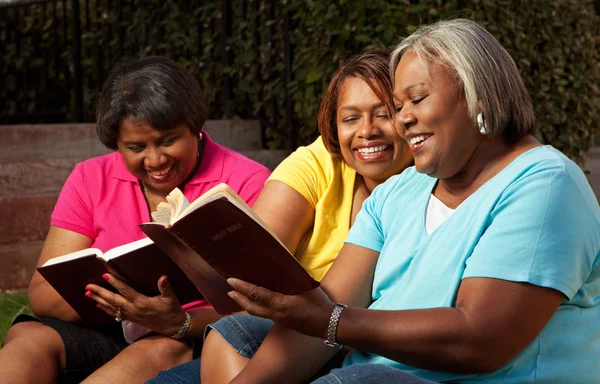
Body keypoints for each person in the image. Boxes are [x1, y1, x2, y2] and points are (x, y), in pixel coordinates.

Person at [201, 19, 600, 384]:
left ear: (479, 96)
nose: (403, 118)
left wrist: (331, 321)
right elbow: (332, 304)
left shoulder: (544, 183)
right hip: (367, 366)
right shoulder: (400, 189)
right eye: (399, 105)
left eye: (417, 98)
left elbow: (481, 340)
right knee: (235, 335)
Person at [0, 56, 271, 384]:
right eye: (136, 147)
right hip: (102, 327)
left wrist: (179, 321)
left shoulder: (247, 181)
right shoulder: (91, 177)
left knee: (156, 352)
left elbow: (269, 303)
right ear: (116, 143)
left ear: (196, 129)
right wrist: (117, 296)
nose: (156, 159)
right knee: (29, 341)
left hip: (190, 334)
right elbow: (42, 295)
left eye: (168, 140)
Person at [148, 50, 414, 382]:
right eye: (350, 118)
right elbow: (253, 259)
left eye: (383, 114)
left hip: (352, 348)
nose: (367, 131)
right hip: (281, 334)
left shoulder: (423, 186)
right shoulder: (319, 162)